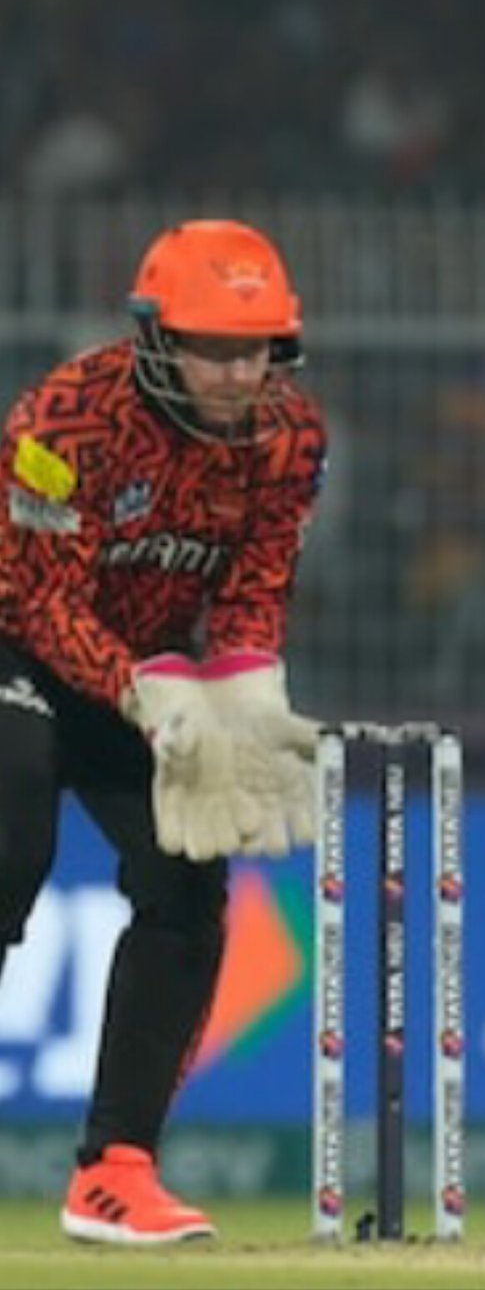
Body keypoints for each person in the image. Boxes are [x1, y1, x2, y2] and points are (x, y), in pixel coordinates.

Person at [0, 219, 328, 1244]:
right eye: (212, 349)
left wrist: (245, 692)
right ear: (155, 336)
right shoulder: (64, 419)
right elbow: (38, 598)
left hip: (143, 677)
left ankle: (115, 1171)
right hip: (17, 648)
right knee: (12, 829)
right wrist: (142, 694)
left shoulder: (290, 438)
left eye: (256, 350)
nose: (237, 376)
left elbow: (254, 587)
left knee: (188, 872)